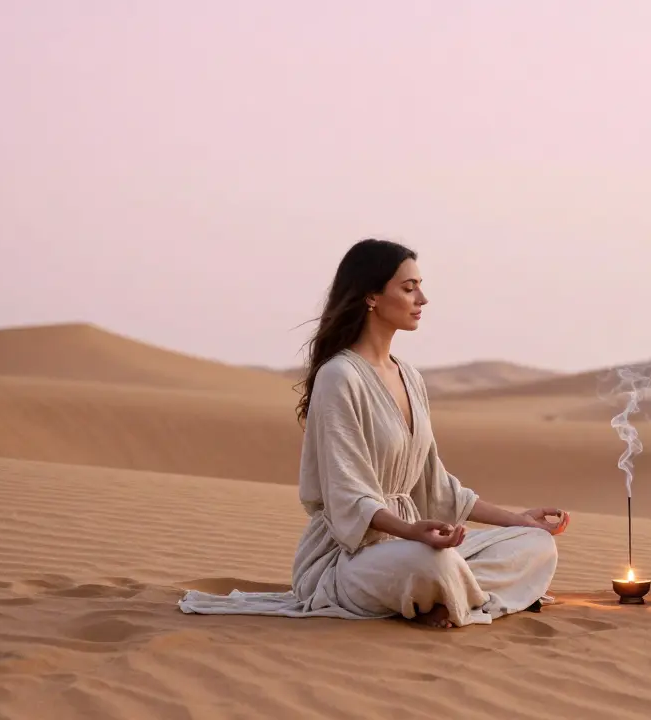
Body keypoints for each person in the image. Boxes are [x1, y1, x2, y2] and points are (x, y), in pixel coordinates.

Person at [179, 238, 569, 628]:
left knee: (536, 546)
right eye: (409, 287)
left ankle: (451, 599)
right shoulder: (339, 377)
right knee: (432, 562)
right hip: (348, 558)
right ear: (371, 296)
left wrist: (518, 521)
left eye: (420, 285)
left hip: (411, 546)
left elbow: (436, 487)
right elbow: (346, 497)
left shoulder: (411, 377)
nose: (423, 299)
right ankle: (462, 598)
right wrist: (411, 531)